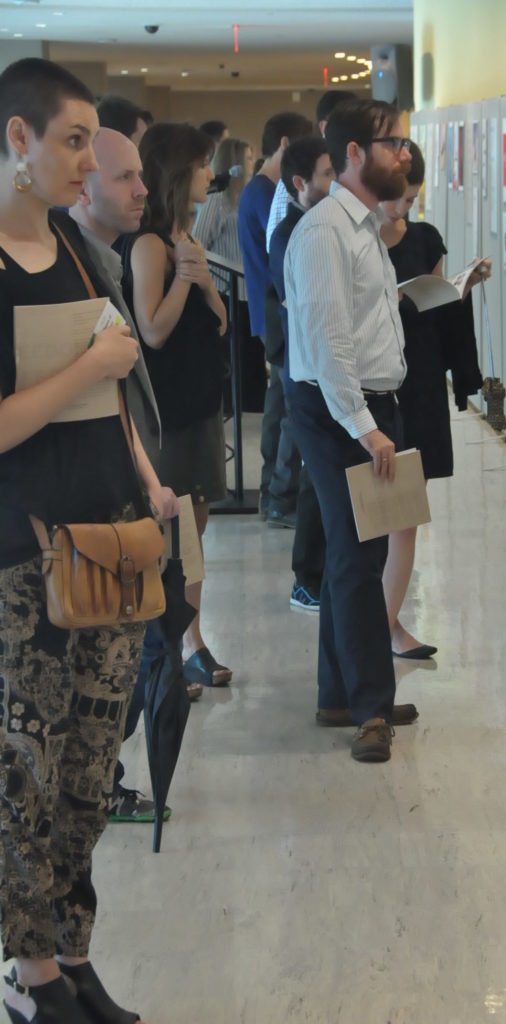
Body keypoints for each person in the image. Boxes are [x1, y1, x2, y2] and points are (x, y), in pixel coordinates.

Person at [0, 57, 150, 1023]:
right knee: (27, 777)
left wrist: (147, 475)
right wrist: (94, 361)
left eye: (92, 138)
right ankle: (30, 974)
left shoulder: (78, 249)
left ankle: (75, 949)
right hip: (21, 558)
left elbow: (114, 387)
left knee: (92, 774)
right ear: (18, 139)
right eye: (72, 139)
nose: (87, 160)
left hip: (111, 541)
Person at [284, 98, 419, 764]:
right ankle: (369, 707)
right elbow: (328, 341)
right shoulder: (325, 231)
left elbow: (362, 321)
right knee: (359, 560)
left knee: (356, 552)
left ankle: (339, 692)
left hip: (365, 405)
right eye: (395, 143)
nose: (405, 156)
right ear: (358, 153)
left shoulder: (363, 225)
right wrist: (366, 428)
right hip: (339, 409)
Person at [69, 127, 194, 828]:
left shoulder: (99, 261)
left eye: (141, 176)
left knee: (133, 653)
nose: (142, 190)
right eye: (124, 178)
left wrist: (149, 479)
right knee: (117, 661)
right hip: (97, 510)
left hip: (132, 493)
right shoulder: (75, 269)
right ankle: (97, 784)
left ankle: (101, 780)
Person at [119, 122, 232, 689]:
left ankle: (190, 638)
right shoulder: (147, 245)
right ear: (178, 173)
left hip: (202, 404)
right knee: (171, 532)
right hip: (167, 414)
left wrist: (204, 280)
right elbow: (153, 331)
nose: (210, 175)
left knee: (196, 526)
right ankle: (167, 647)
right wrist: (186, 278)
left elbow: (221, 322)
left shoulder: (187, 240)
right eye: (202, 165)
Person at [380, 141, 488, 658]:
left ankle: (389, 623)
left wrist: (461, 285)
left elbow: (439, 306)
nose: (405, 211)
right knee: (382, 510)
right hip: (380, 380)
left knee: (409, 511)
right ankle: (379, 627)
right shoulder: (355, 243)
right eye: (398, 201)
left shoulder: (425, 238)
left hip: (420, 376)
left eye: (412, 200)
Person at [269, 137, 335, 611]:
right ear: (300, 182)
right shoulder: (290, 233)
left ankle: (320, 573)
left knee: (325, 475)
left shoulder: (318, 225)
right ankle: (306, 578)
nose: (334, 184)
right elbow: (298, 303)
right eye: (328, 175)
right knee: (315, 475)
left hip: (322, 367)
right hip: (307, 372)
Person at [237, 111, 312, 524]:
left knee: (279, 408)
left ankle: (274, 492)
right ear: (285, 145)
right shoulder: (266, 193)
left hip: (273, 314)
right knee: (289, 411)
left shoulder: (263, 190)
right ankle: (280, 495)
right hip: (277, 314)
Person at [193, 135, 267, 413]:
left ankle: (250, 403)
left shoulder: (249, 195)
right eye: (248, 157)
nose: (252, 163)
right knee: (235, 357)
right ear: (234, 162)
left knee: (252, 357)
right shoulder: (217, 199)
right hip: (227, 288)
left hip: (252, 288)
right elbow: (199, 239)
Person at [265, 89, 355, 251]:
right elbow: (276, 244)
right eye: (348, 125)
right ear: (324, 127)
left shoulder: (353, 166)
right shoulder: (299, 165)